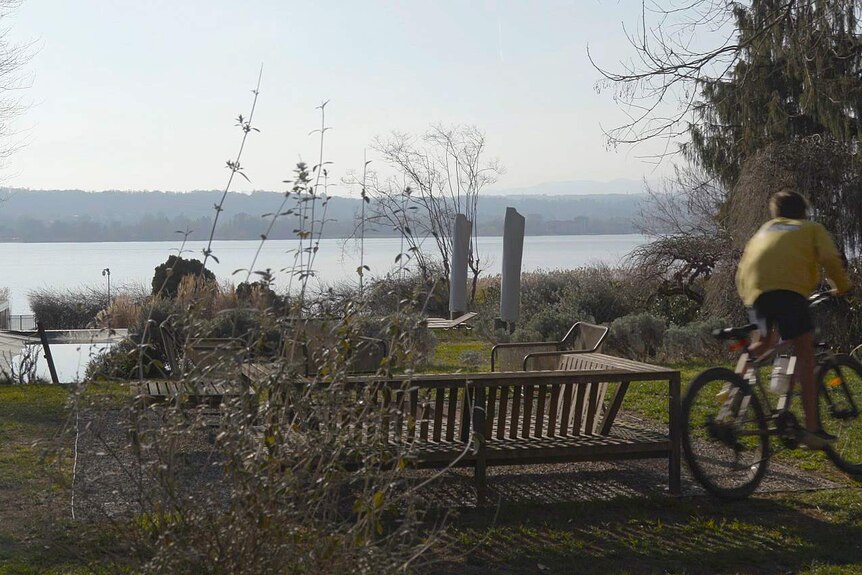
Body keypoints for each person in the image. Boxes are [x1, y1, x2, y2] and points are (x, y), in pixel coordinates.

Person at [735, 189, 852, 449]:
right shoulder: (810, 228)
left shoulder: (764, 230)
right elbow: (831, 260)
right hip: (789, 292)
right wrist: (843, 286)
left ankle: (733, 390)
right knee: (805, 350)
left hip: (754, 292)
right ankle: (812, 430)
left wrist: (749, 299)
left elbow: (744, 267)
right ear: (803, 211)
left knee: (765, 341)